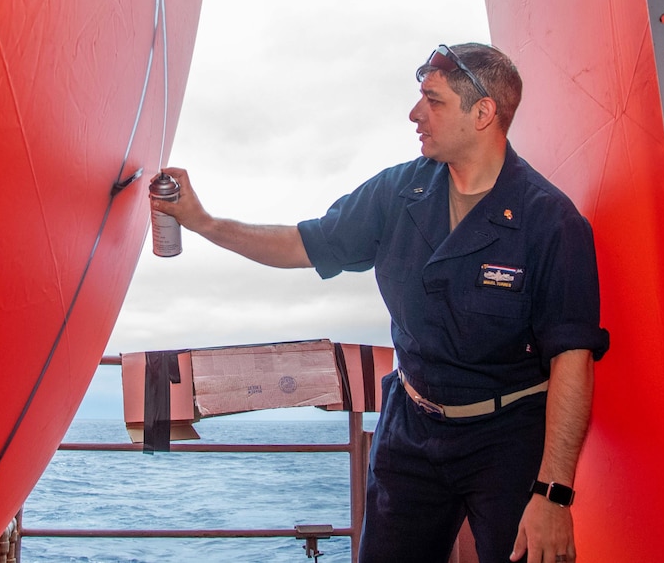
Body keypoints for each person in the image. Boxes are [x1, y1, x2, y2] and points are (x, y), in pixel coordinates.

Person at [151, 42, 610, 563]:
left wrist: (553, 495)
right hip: (411, 430)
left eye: (433, 101)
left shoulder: (551, 222)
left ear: (483, 113)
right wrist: (205, 223)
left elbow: (572, 362)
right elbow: (303, 243)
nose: (415, 114)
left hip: (508, 440)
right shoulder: (398, 192)